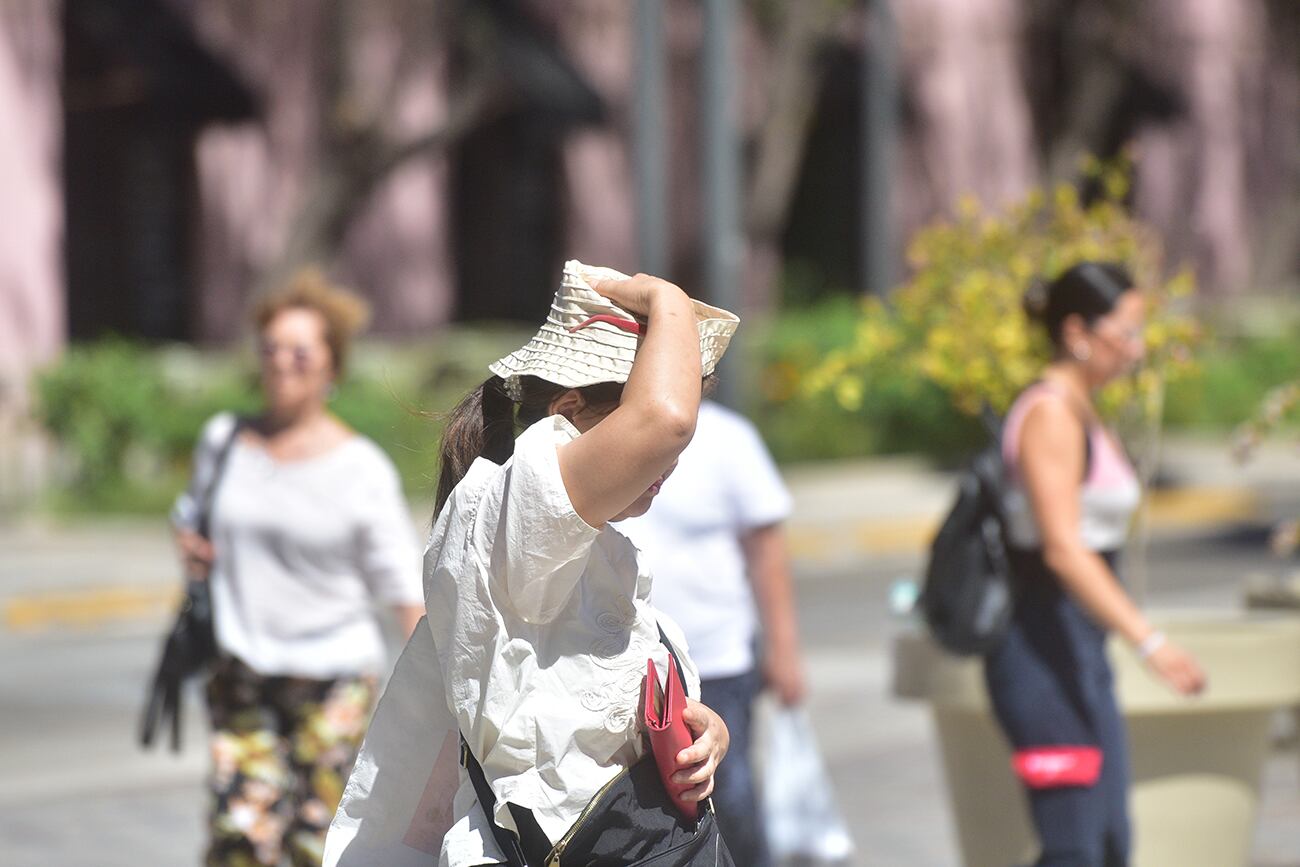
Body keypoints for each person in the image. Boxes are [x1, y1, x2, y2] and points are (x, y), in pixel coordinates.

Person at [324, 261, 741, 867]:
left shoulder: (602, 547)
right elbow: (665, 420)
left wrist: (704, 733)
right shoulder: (509, 514)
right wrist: (664, 297)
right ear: (567, 414)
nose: (669, 464)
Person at [173, 269, 425, 867]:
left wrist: (436, 693)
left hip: (332, 677)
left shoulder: (362, 470)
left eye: (300, 352)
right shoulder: (224, 440)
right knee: (241, 834)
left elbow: (402, 589)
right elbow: (190, 518)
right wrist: (193, 550)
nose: (282, 364)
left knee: (320, 839)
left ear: (331, 367)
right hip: (241, 665)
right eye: (271, 351)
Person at [985, 262, 1207, 867]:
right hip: (1038, 650)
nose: (1136, 351)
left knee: (1107, 842)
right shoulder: (1051, 414)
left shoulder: (1083, 409)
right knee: (1075, 844)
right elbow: (1063, 547)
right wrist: (1151, 641)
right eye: (1127, 333)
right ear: (1078, 331)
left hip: (1078, 648)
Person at [619, 399, 804, 867]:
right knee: (647, 819)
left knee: (730, 803)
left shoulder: (729, 437)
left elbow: (767, 552)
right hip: (627, 670)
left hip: (717, 661)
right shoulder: (605, 436)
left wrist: (783, 650)